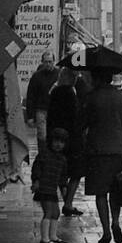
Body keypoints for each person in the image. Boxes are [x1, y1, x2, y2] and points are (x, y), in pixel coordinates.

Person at [80, 68, 122, 243]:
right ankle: (116, 221)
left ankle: (105, 231)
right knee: (116, 190)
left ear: (96, 79)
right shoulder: (121, 98)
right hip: (119, 150)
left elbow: (83, 123)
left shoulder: (91, 98)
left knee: (100, 193)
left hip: (97, 151)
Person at [47, 68, 84, 216]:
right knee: (75, 172)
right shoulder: (70, 93)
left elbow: (50, 116)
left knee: (60, 170)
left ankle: (64, 201)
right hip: (70, 139)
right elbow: (75, 118)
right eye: (75, 76)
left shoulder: (54, 92)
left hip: (56, 136)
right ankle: (68, 203)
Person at [31, 128, 69, 243]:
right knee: (48, 212)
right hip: (44, 188)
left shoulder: (62, 159)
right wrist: (36, 181)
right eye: (56, 141)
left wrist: (63, 187)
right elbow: (36, 168)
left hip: (52, 189)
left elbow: (63, 175)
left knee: (56, 213)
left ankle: (53, 237)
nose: (58, 145)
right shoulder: (44, 155)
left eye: (62, 142)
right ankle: (45, 239)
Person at [24, 51, 58, 154]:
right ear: (42, 62)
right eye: (46, 62)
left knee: (54, 134)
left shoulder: (59, 74)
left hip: (55, 110)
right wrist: (30, 116)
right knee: (42, 135)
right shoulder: (37, 76)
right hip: (41, 110)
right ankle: (43, 155)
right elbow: (31, 96)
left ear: (54, 62)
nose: (48, 64)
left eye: (50, 62)